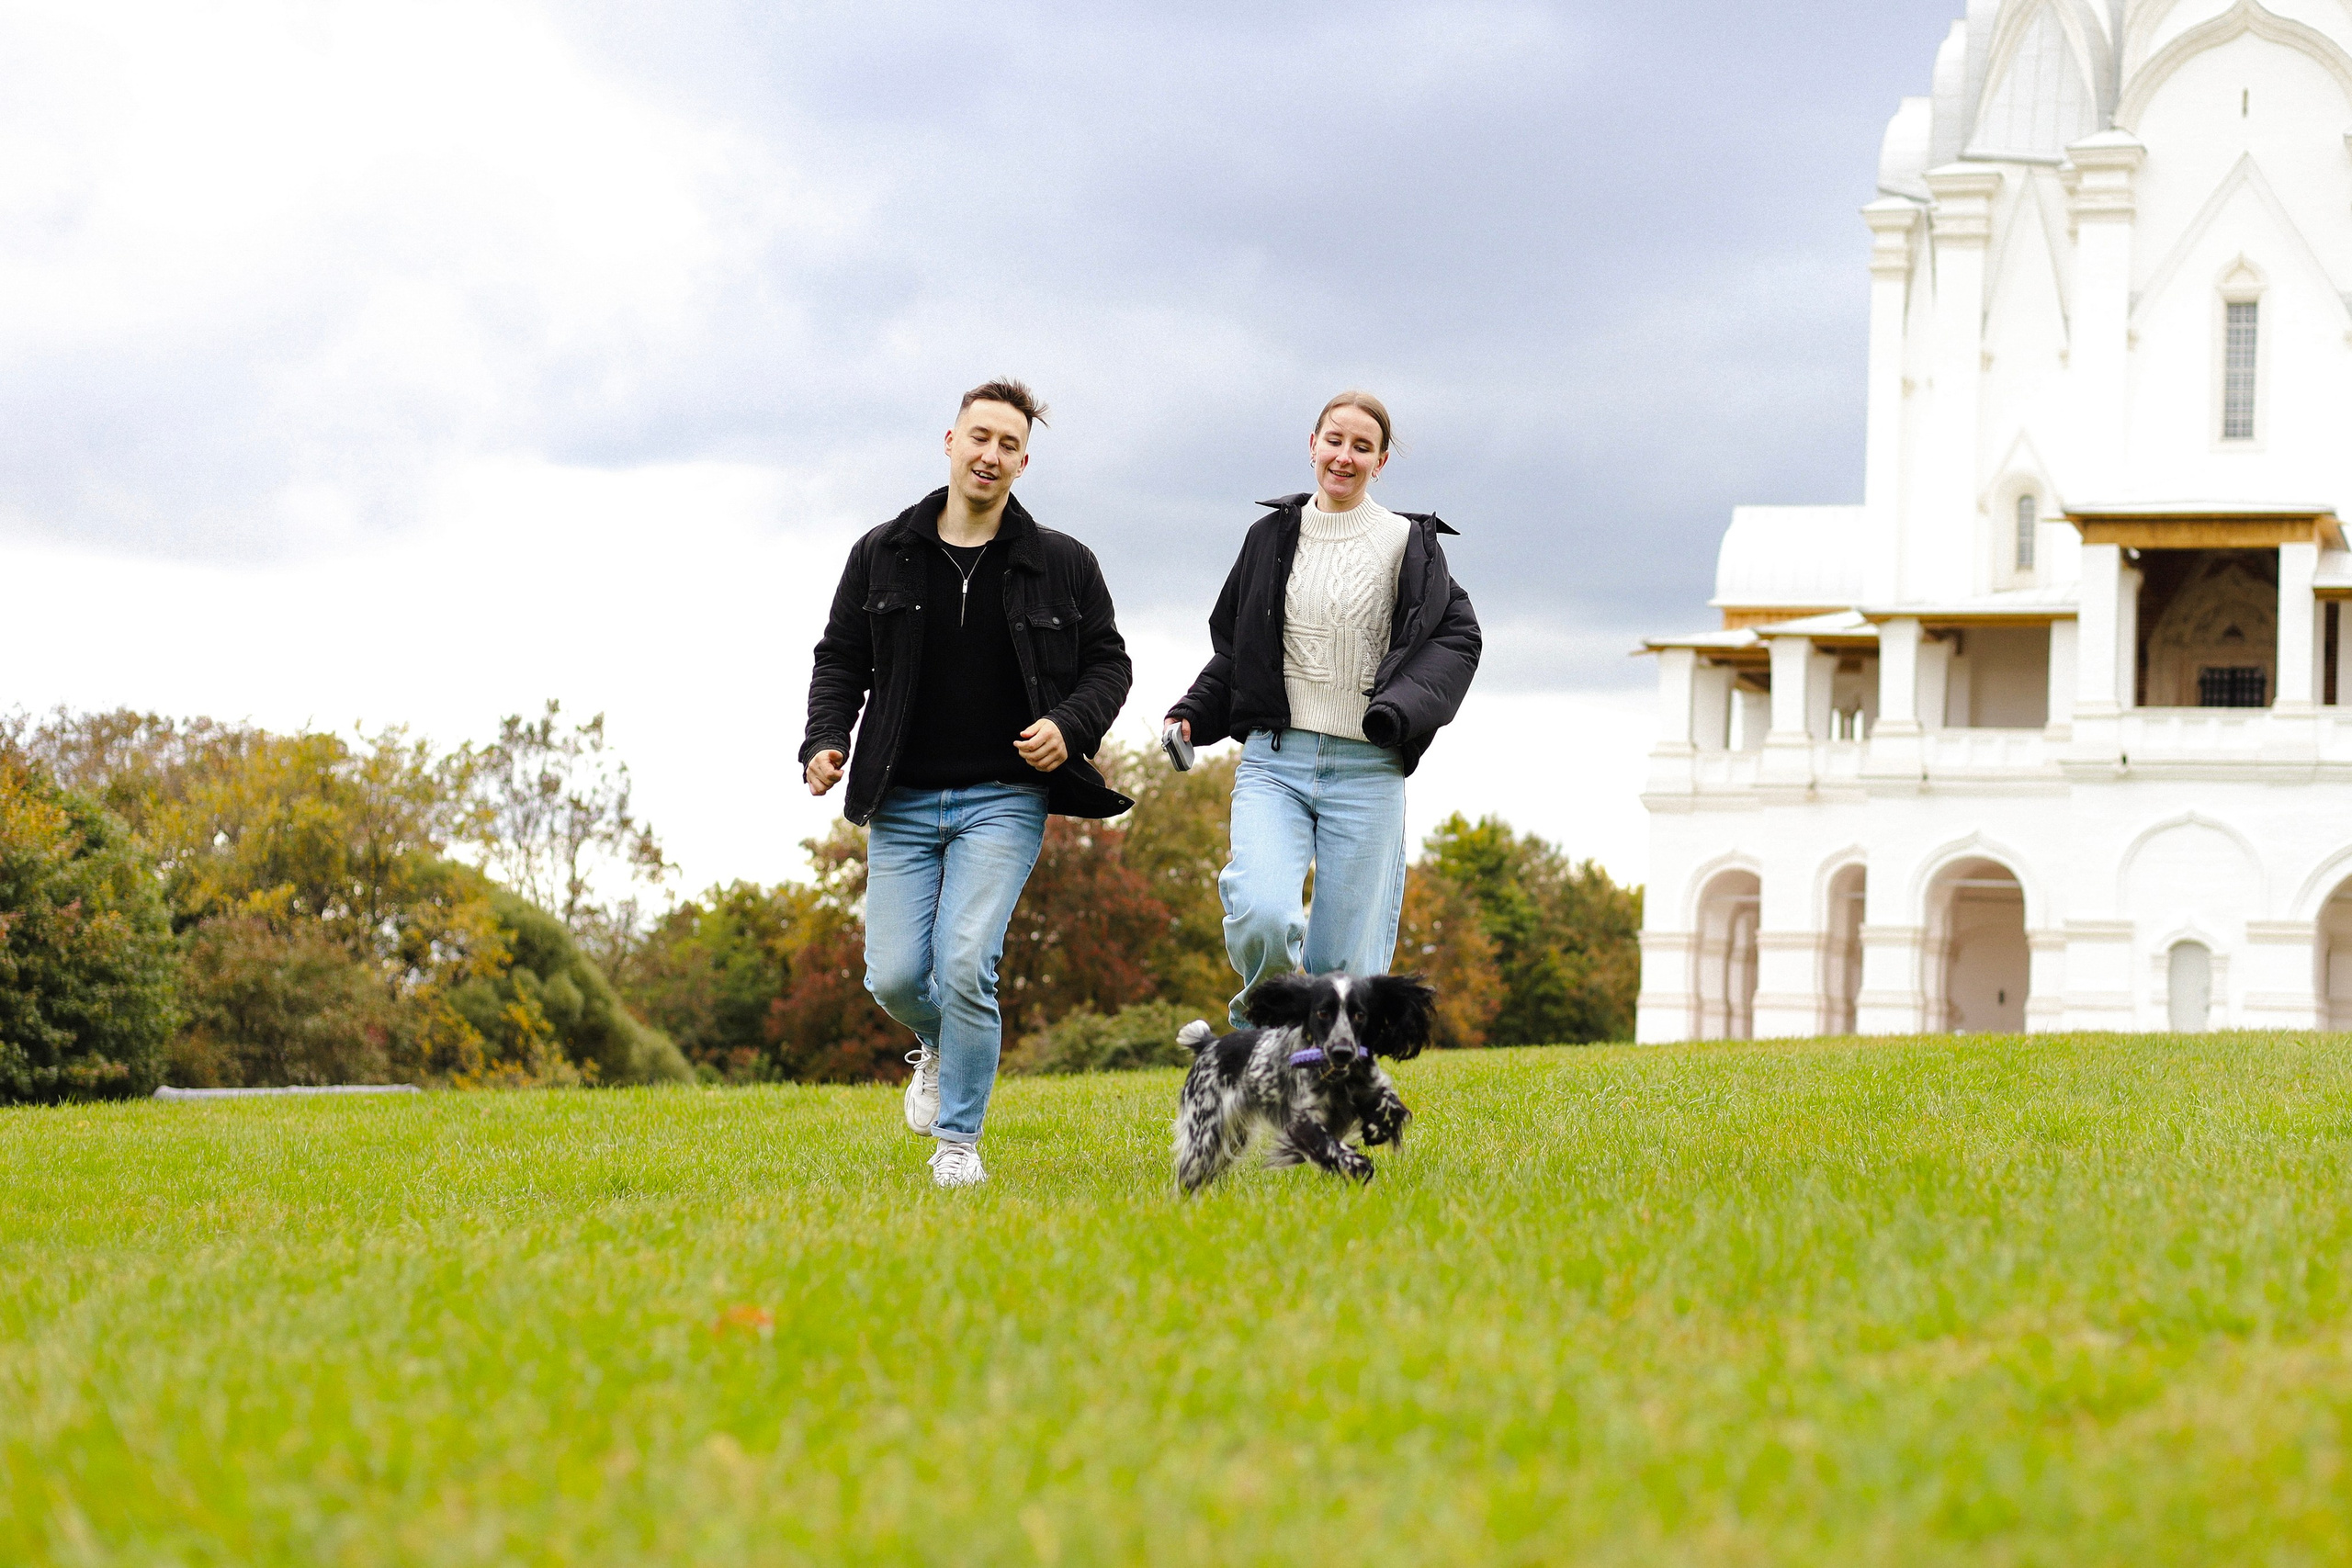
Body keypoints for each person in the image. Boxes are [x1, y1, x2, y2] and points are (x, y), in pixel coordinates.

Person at [801, 380, 1133, 1188]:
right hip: (903, 796)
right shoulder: (883, 551)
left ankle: (959, 1142)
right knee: (896, 977)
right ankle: (941, 1046)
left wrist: (1069, 725)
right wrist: (823, 738)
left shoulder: (1062, 563)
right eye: (979, 437)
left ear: (1024, 460)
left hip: (1003, 794)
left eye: (1008, 445)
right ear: (949, 441)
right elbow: (841, 657)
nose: (991, 455)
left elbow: (1109, 664)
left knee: (964, 962)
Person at [1166, 391, 1480, 1028]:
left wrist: (1398, 710)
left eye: (1361, 447)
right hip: (1274, 763)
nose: (1344, 456)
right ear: (1312, 444)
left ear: (1381, 461)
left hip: (1367, 770)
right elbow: (1237, 648)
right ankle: (1266, 1029)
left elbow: (1457, 639)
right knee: (1261, 911)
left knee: (1347, 965)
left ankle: (1326, 1096)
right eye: (1334, 440)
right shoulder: (1269, 538)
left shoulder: (1407, 544)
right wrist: (1192, 712)